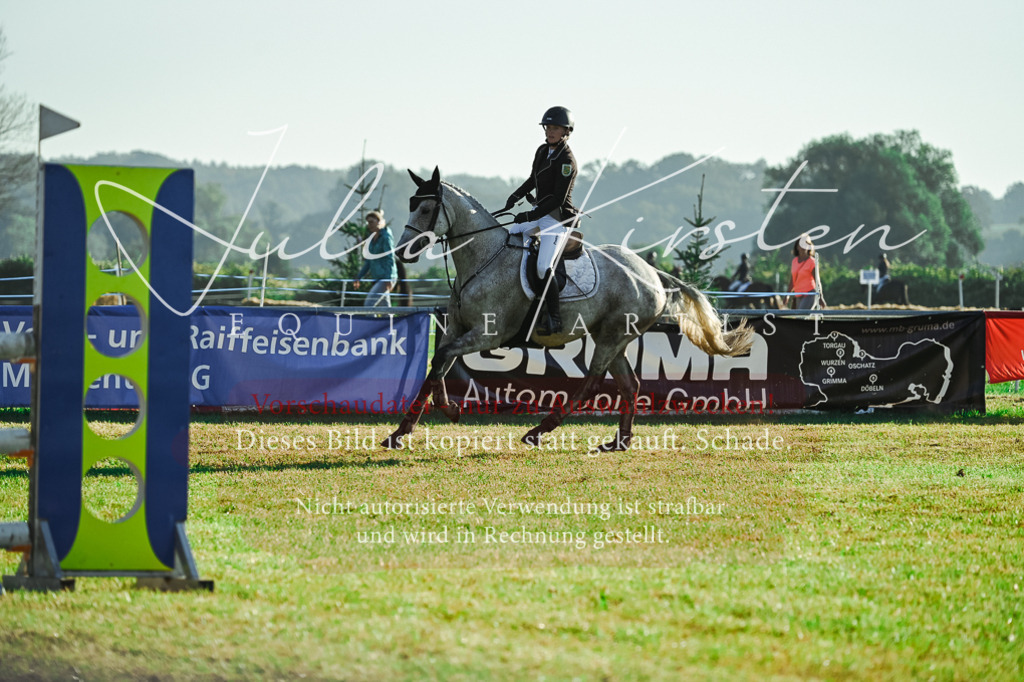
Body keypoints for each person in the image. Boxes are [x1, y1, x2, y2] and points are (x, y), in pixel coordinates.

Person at [503, 106, 580, 335]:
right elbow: (532, 179)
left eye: (555, 128)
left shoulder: (567, 161)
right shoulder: (541, 151)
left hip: (556, 220)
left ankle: (554, 319)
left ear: (566, 131)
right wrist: (515, 196)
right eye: (548, 127)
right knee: (511, 236)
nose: (550, 131)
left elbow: (557, 199)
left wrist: (530, 215)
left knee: (543, 267)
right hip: (539, 214)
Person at [353, 210, 398, 307]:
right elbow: (369, 261)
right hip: (378, 277)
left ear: (379, 222)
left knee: (369, 304)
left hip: (386, 278)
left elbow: (390, 258)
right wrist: (359, 276)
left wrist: (388, 278)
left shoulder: (386, 237)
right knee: (385, 308)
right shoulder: (371, 238)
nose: (369, 225)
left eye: (371, 222)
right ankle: (389, 322)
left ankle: (371, 322)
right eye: (368, 222)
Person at [790, 234, 825, 309]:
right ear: (797, 246)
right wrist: (787, 295)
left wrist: (820, 296)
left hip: (810, 295)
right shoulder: (794, 261)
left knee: (801, 316)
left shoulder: (812, 262)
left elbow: (817, 280)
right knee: (798, 318)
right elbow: (792, 280)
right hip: (798, 295)